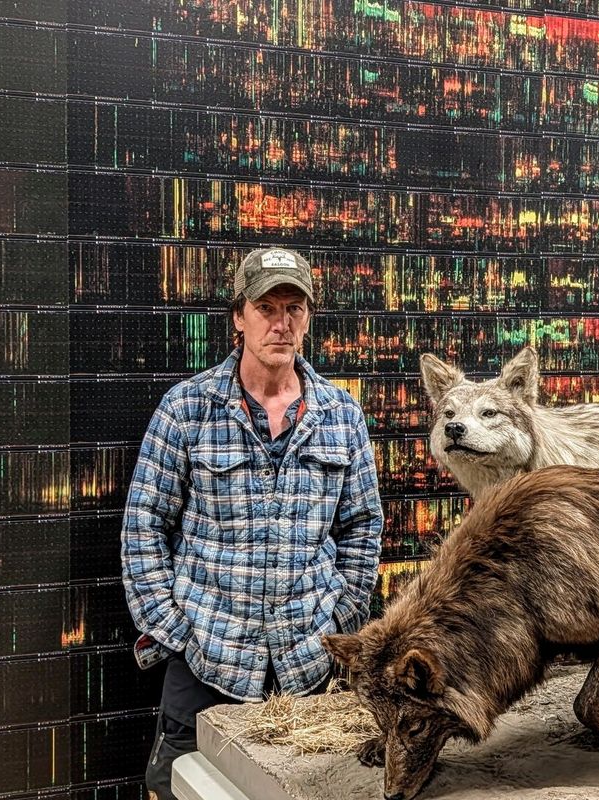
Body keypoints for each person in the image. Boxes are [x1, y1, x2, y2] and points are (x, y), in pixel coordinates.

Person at [121, 247, 383, 800]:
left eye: (294, 307)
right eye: (266, 306)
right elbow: (144, 526)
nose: (281, 322)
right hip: (209, 661)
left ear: (308, 318)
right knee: (180, 790)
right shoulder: (186, 409)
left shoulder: (341, 417)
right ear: (238, 317)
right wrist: (179, 633)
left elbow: (361, 528)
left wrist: (340, 619)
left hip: (308, 667)